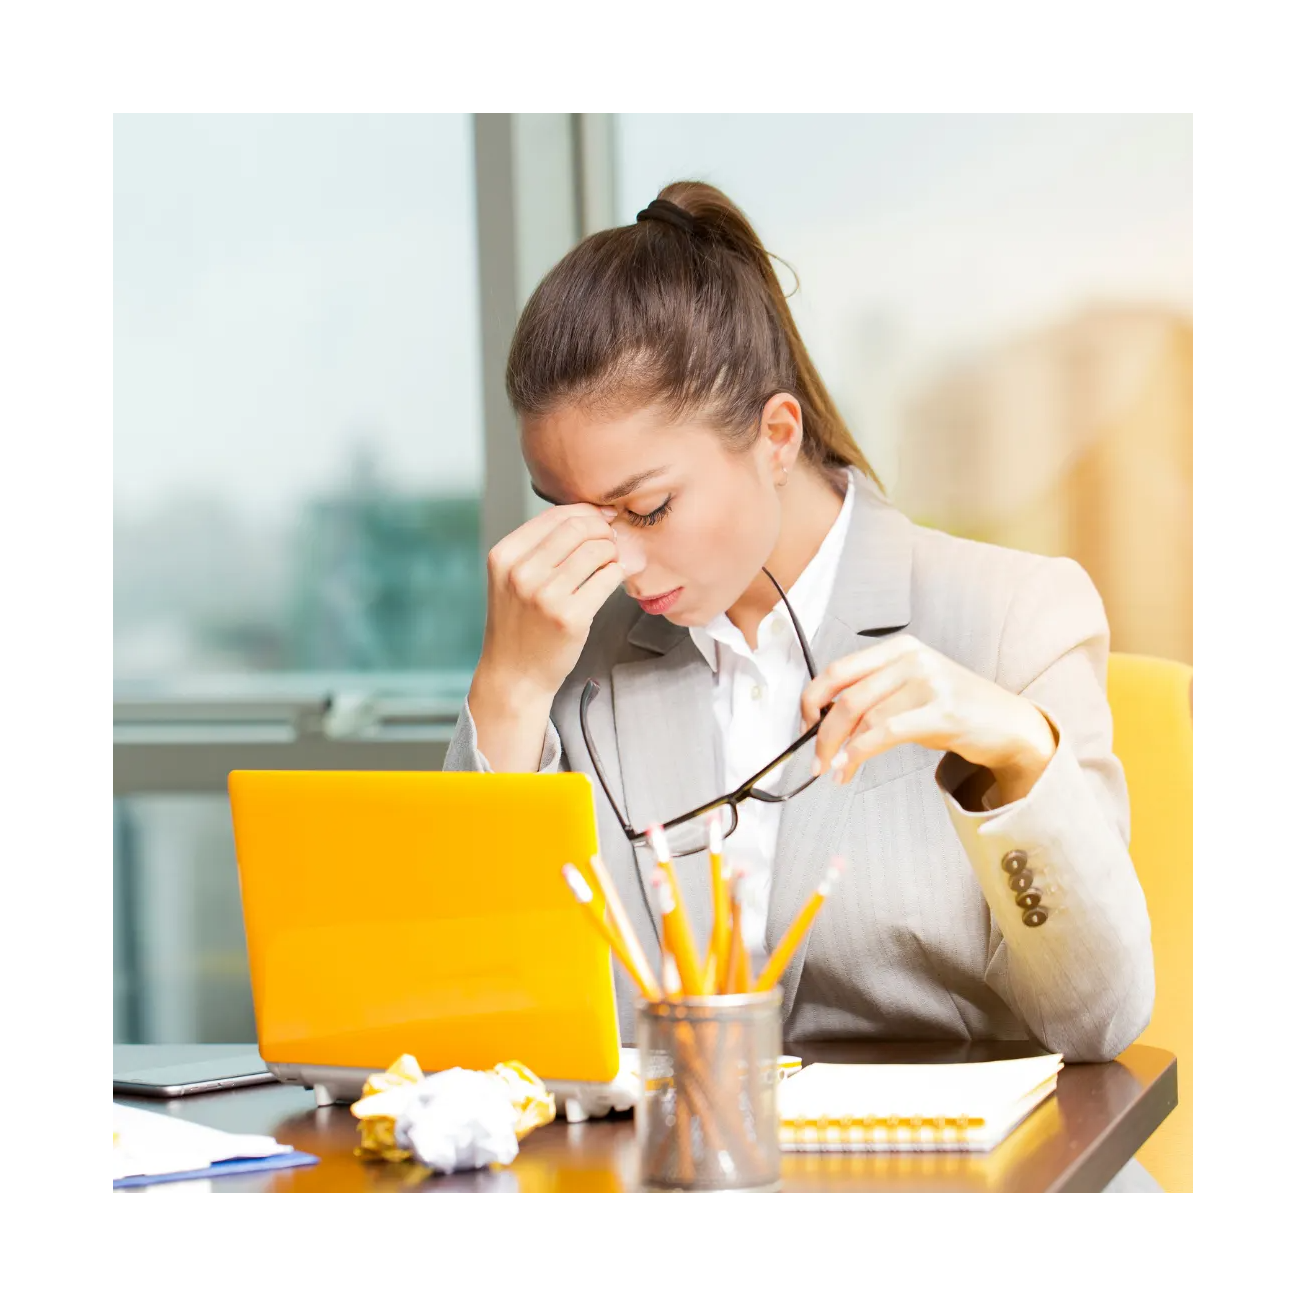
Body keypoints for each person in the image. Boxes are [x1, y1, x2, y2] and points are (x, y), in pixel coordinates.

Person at [445, 183, 1156, 1183]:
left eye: (643, 507)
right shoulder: (570, 656)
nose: (613, 561)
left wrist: (1017, 756)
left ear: (777, 436)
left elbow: (1098, 1017)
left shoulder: (1010, 612)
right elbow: (479, 1023)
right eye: (568, 512)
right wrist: (509, 692)